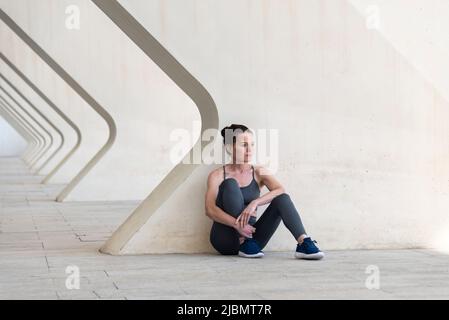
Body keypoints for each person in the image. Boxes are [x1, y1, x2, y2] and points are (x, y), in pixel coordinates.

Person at [205, 124, 324, 259]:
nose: (249, 150)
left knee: (282, 198)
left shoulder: (258, 171)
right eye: (244, 145)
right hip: (225, 238)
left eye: (252, 144)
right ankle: (243, 240)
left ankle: (303, 242)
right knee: (230, 184)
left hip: (253, 241)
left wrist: (255, 203)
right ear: (230, 148)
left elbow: (280, 190)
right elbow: (209, 209)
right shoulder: (217, 175)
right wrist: (237, 224)